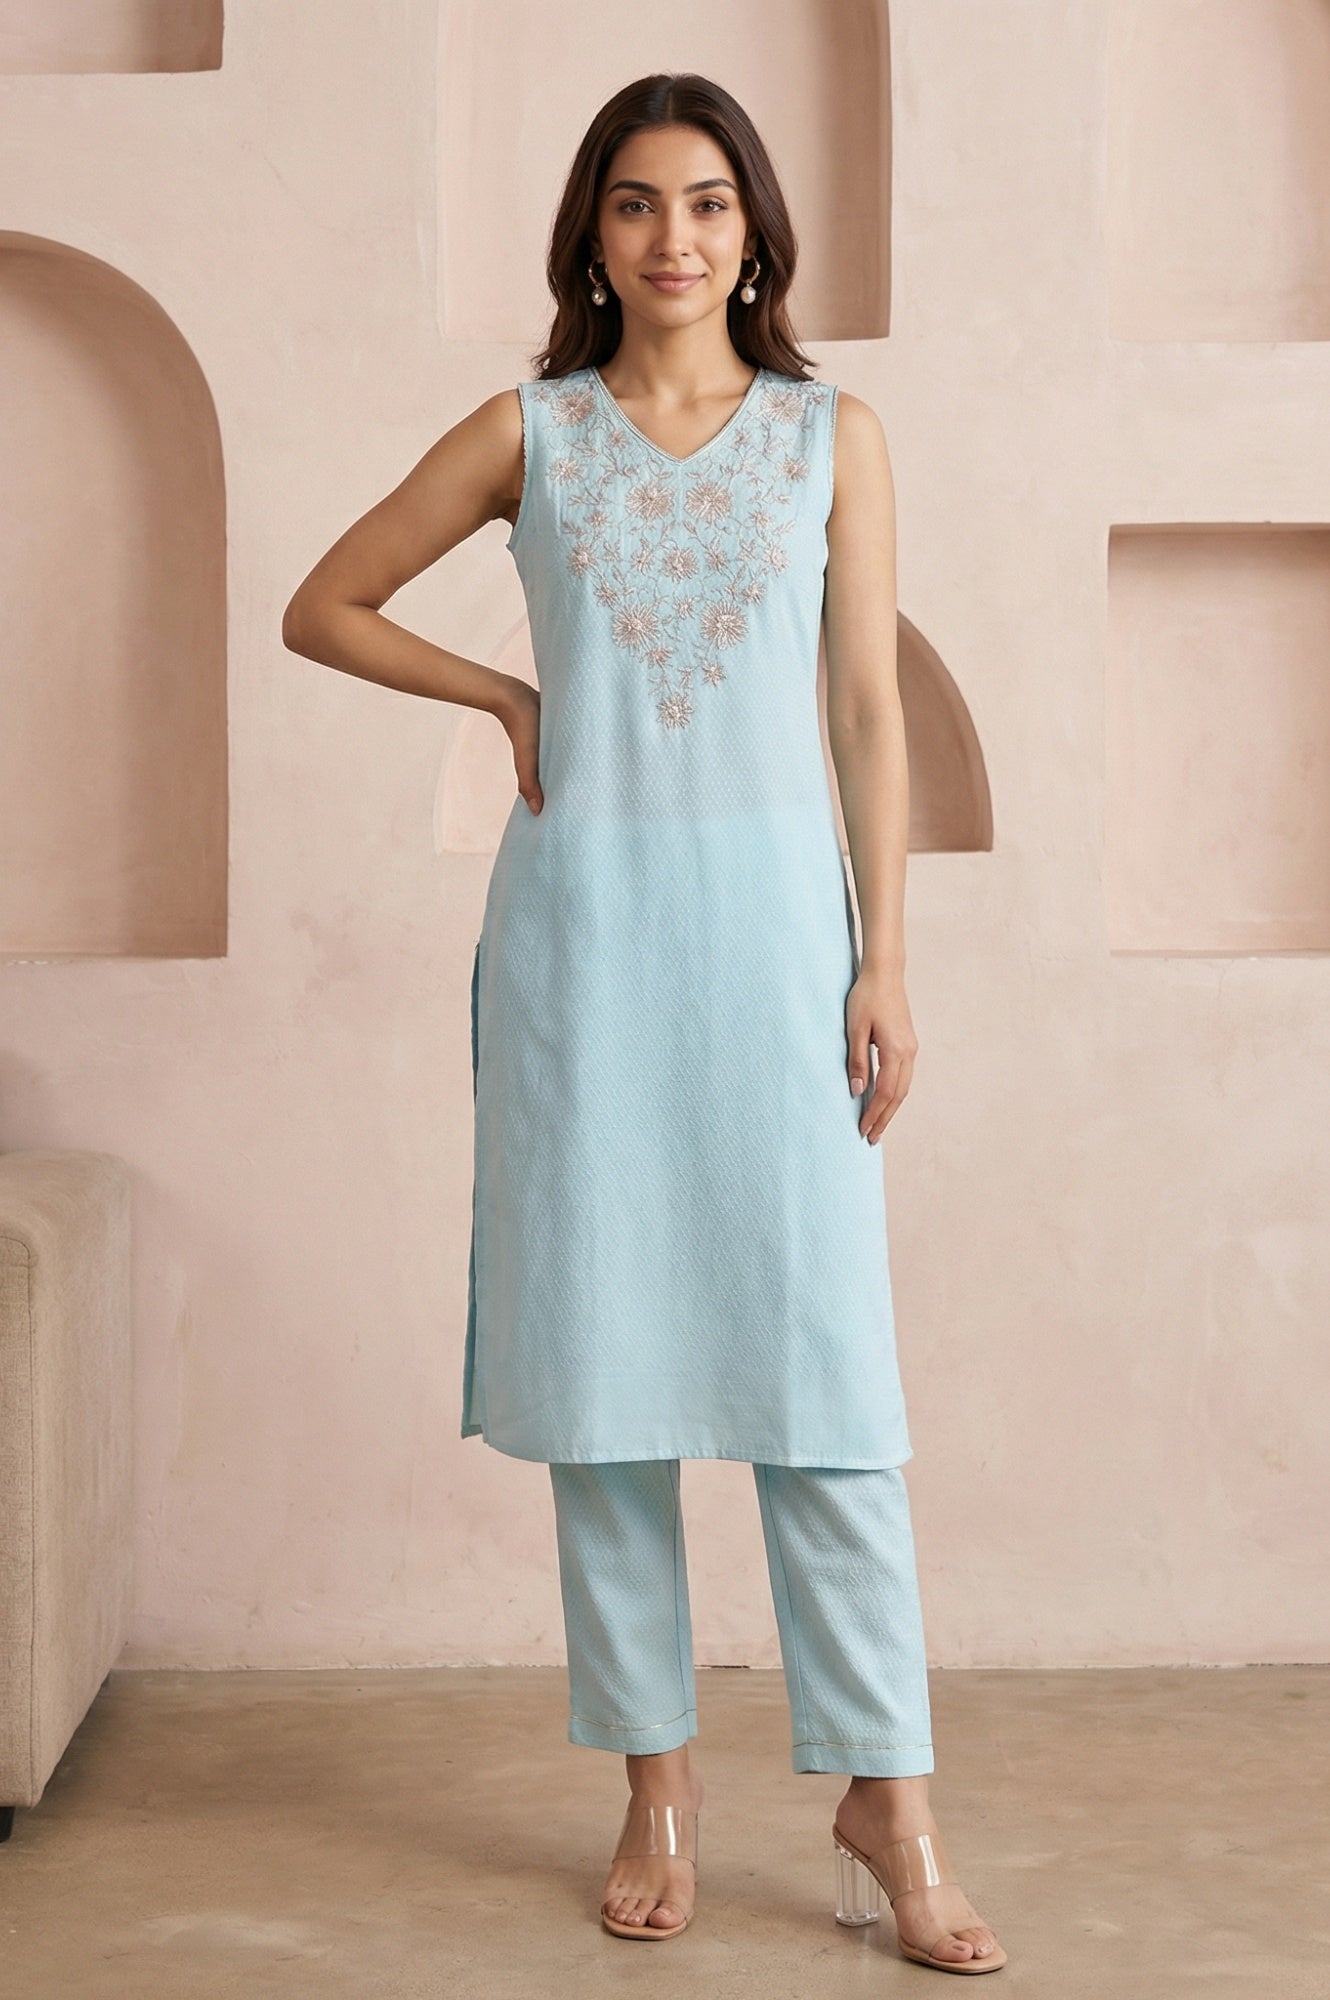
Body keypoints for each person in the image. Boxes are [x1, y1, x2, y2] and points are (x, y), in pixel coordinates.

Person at [283, 71, 1005, 1976]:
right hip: (584, 951)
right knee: (606, 1389)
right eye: (632, 203)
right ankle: (656, 1786)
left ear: (753, 232)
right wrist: (502, 699)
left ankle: (888, 1800)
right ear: (589, 237)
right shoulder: (527, 433)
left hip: (777, 950)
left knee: (824, 1390)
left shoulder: (831, 436)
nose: (670, 236)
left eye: (703, 202)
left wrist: (884, 959)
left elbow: (866, 711)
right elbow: (323, 603)